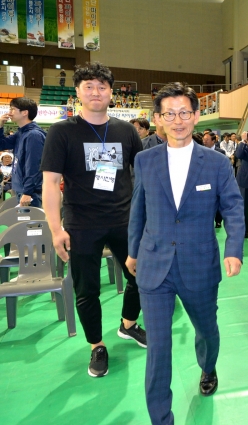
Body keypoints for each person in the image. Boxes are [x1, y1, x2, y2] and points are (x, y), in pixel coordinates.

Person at [126, 82, 244, 424]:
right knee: (158, 349)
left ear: (195, 117)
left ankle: (208, 366)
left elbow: (234, 208)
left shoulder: (217, 163)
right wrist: (133, 251)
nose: (177, 120)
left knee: (206, 329)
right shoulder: (145, 160)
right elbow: (138, 209)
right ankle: (161, 418)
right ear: (158, 119)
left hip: (199, 265)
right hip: (154, 265)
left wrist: (233, 249)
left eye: (184, 113)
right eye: (169, 114)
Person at [41, 62, 145, 378]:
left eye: (102, 87)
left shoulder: (126, 131)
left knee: (142, 277)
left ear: (112, 93)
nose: (95, 92)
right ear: (78, 92)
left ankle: (128, 325)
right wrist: (55, 229)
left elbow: (141, 176)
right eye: (89, 87)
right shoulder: (61, 132)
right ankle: (96, 345)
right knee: (87, 290)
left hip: (124, 219)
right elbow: (50, 183)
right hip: (82, 223)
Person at [0, 98, 46, 207]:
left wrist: (28, 192)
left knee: (30, 223)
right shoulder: (21, 133)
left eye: (13, 109)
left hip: (30, 193)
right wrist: (0, 126)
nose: (9, 112)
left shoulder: (34, 135)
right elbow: (2, 145)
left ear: (25, 112)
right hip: (21, 189)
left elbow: (33, 165)